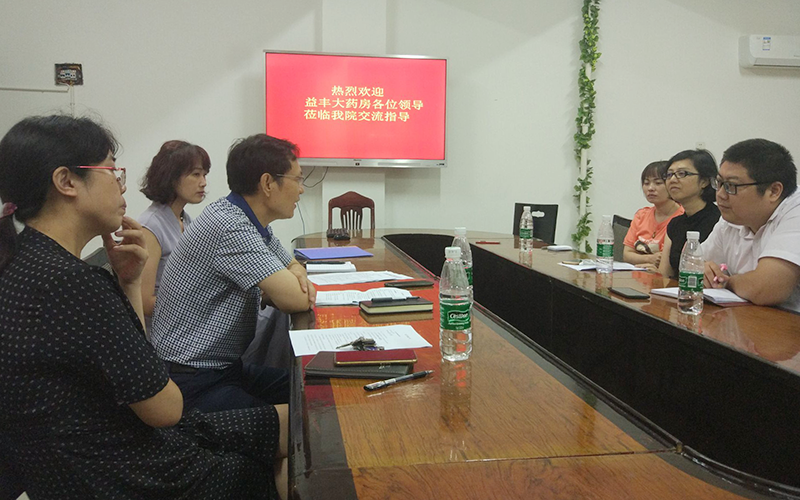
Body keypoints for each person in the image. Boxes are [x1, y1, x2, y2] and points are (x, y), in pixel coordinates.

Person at [0, 115, 288, 499]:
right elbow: (165, 408)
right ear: (66, 181)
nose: (121, 185)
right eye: (111, 171)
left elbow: (135, 382)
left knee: (290, 421)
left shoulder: (25, 264)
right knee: (284, 453)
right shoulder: (70, 283)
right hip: (123, 471)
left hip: (104, 450)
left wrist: (130, 283)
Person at [150, 133, 315, 413]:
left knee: (312, 388)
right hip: (193, 381)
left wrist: (295, 272)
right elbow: (296, 300)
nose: (301, 190)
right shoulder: (230, 226)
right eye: (297, 179)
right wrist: (293, 281)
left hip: (222, 370)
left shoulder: (245, 219)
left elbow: (292, 264)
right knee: (306, 415)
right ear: (267, 183)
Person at [702, 139, 800, 312]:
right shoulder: (732, 217)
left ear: (774, 191)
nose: (721, 194)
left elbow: (766, 289)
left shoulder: (795, 211)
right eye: (719, 183)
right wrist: (704, 270)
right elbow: (691, 263)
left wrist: (726, 281)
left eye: (731, 186)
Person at [138, 140, 210, 334]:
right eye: (196, 174)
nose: (203, 182)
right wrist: (200, 306)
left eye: (204, 174)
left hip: (188, 326)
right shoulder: (151, 226)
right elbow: (144, 302)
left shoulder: (185, 220)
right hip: (166, 335)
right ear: (171, 176)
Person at [657, 149, 720, 278]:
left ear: (704, 181)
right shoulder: (675, 224)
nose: (672, 180)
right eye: (669, 175)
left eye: (682, 173)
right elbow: (664, 275)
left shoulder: (719, 221)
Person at [623, 161, 684, 271]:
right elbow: (627, 254)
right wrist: (650, 259)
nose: (650, 188)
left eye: (658, 183)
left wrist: (639, 259)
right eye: (646, 183)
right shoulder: (641, 215)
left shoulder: (681, 218)